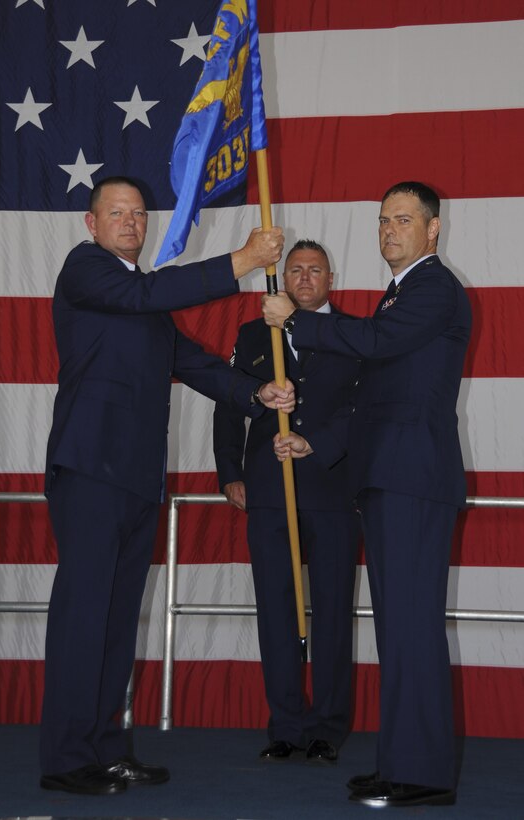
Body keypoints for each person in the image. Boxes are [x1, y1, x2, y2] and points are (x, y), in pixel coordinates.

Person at [40, 176, 294, 796]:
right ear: (90, 224)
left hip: (136, 479)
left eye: (137, 213)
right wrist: (242, 261)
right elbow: (151, 292)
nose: (130, 221)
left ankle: (104, 748)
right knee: (84, 617)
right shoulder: (86, 272)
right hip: (91, 471)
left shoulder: (142, 301)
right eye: (116, 212)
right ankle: (66, 759)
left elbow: (196, 361)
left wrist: (256, 394)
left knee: (118, 619)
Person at [262, 182, 472, 808]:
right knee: (400, 632)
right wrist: (318, 445)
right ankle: (403, 764)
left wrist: (298, 319)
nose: (389, 231)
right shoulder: (401, 294)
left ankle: (422, 775)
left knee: (411, 630)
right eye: (383, 221)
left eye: (403, 220)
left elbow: (376, 348)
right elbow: (375, 398)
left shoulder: (434, 287)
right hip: (389, 477)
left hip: (411, 478)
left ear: (432, 230)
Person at [213, 240, 360, 764]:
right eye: (294, 269)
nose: (303, 277)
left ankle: (327, 726)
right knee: (275, 610)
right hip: (269, 491)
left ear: (330, 278)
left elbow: (364, 410)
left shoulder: (352, 334)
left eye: (314, 270)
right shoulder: (255, 333)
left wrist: (318, 444)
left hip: (331, 488)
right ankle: (286, 724)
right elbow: (229, 403)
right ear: (281, 279)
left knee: (332, 612)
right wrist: (229, 470)